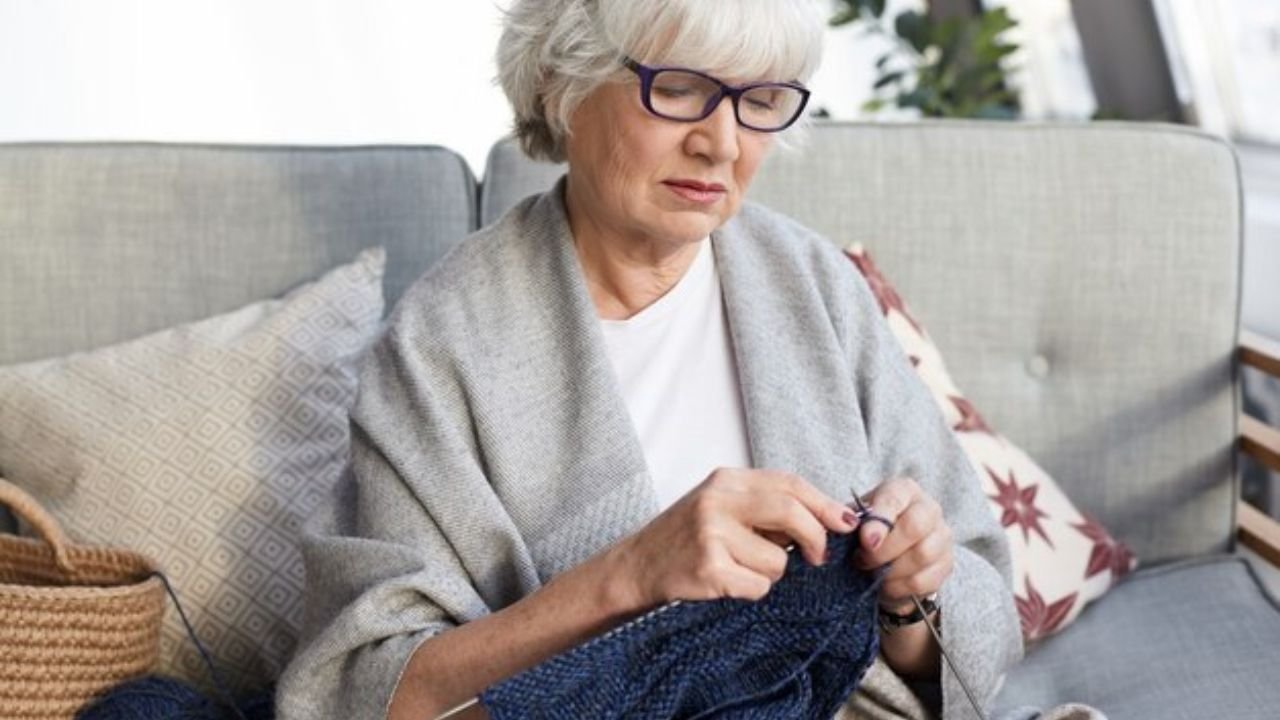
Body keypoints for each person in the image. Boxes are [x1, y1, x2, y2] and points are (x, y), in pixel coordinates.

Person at [277, 1, 1021, 718]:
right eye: (681, 88)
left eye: (759, 99)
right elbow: (365, 693)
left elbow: (978, 608)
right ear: (561, 85)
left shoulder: (811, 281)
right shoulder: (441, 345)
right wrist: (630, 574)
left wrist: (910, 598)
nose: (722, 143)